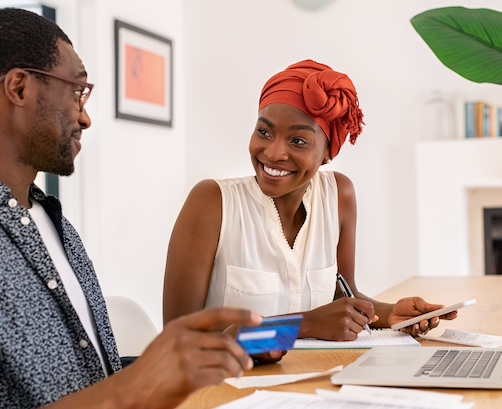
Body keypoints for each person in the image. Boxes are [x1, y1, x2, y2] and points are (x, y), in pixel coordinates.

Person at [0, 8, 263, 409]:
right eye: (77, 91)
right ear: (19, 88)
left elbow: (91, 382)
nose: (85, 117)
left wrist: (190, 359)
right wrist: (139, 382)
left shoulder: (56, 227)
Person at [163, 59, 458, 343]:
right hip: (222, 388)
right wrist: (304, 325)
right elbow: (178, 340)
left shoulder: (338, 194)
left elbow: (343, 294)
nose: (274, 153)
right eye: (264, 132)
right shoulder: (212, 202)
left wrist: (389, 313)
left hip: (311, 379)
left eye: (298, 141)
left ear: (327, 153)